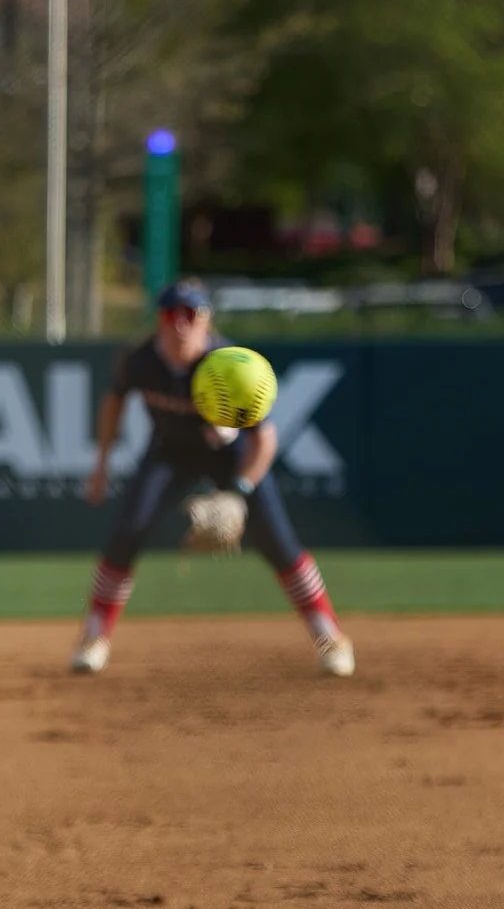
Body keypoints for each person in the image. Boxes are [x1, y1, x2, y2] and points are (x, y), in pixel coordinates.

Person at [73, 280, 356, 677]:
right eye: (172, 314)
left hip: (231, 458)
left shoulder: (230, 363)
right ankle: (93, 637)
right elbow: (114, 400)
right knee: (128, 533)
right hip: (170, 452)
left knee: (278, 542)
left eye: (191, 315)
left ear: (206, 321)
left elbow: (265, 439)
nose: (181, 325)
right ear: (159, 319)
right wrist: (100, 462)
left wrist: (240, 490)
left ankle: (331, 638)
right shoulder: (140, 360)